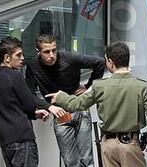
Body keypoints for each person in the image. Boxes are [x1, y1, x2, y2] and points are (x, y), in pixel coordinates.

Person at [46, 42, 147, 167]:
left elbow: (76, 105)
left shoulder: (99, 86)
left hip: (107, 147)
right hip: (130, 145)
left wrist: (60, 97)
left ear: (111, 62)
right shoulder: (142, 87)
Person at [25, 34, 105, 167]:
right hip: (60, 114)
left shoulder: (69, 58)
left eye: (54, 50)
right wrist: (49, 107)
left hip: (79, 108)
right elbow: (29, 93)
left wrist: (88, 86)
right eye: (47, 52)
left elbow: (100, 63)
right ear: (38, 52)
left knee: (87, 159)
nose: (51, 55)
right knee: (70, 161)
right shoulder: (33, 65)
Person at [0, 36, 49, 167]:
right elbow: (30, 104)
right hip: (22, 138)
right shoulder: (15, 76)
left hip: (6, 140)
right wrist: (34, 112)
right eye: (18, 55)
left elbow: (9, 105)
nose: (22, 58)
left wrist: (33, 114)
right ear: (6, 58)